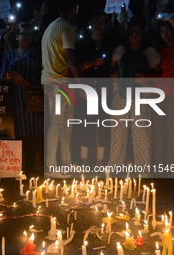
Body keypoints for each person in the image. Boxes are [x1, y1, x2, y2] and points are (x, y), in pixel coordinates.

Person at [107, 17, 160, 169]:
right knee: (117, 131)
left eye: (138, 32)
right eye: (131, 32)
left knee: (141, 131)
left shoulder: (150, 52)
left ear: (143, 34)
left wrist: (147, 77)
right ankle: (114, 167)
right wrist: (113, 75)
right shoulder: (120, 51)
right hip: (120, 93)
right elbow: (112, 68)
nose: (134, 35)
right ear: (127, 34)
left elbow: (159, 72)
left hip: (141, 95)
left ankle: (143, 169)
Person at [41, 0, 81, 173]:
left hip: (56, 81)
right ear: (72, 8)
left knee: (65, 123)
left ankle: (65, 162)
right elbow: (70, 57)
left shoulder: (52, 27)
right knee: (58, 123)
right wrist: (81, 84)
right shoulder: (66, 27)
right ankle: (51, 165)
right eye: (76, 8)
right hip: (57, 82)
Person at [0, 22, 44, 172]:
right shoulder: (9, 54)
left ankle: (36, 168)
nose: (26, 37)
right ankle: (22, 167)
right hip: (17, 101)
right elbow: (2, 75)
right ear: (17, 36)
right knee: (21, 132)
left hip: (35, 99)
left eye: (29, 35)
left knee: (36, 131)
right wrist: (13, 74)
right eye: (23, 34)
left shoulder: (38, 53)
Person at [75, 11, 115, 166]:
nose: (99, 24)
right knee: (86, 123)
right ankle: (84, 159)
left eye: (103, 22)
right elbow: (75, 67)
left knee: (103, 123)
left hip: (105, 90)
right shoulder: (82, 44)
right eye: (96, 21)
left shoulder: (110, 44)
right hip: (86, 91)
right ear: (91, 24)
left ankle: (100, 160)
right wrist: (91, 63)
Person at [152, 17, 174, 164]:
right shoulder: (158, 50)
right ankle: (159, 164)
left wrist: (172, 21)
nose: (165, 35)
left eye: (168, 32)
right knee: (159, 131)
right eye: (162, 32)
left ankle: (170, 164)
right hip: (158, 95)